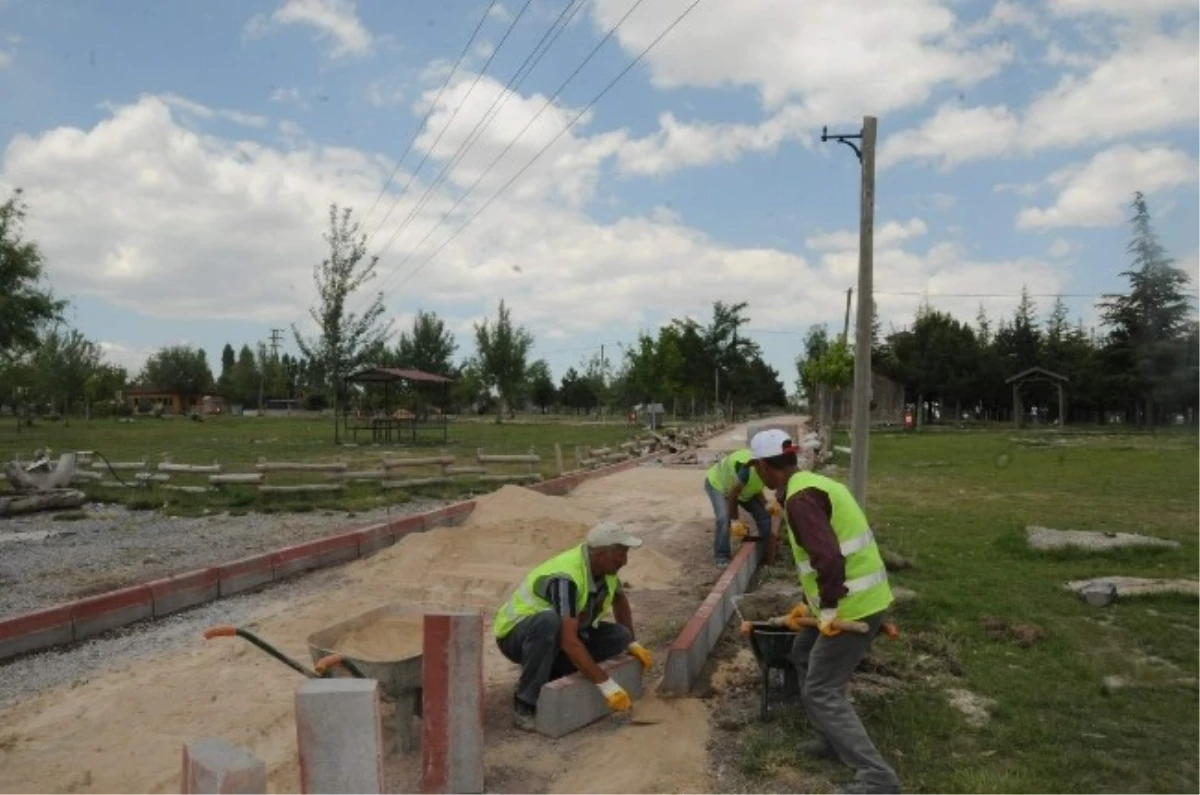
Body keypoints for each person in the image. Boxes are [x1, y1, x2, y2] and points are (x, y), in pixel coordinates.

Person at [749, 428, 901, 795]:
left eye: (757, 469)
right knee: (801, 652)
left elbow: (829, 558)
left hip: (852, 605)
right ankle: (832, 740)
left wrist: (829, 611)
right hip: (850, 599)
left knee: (822, 689)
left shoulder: (801, 499)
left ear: (764, 468)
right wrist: (811, 603)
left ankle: (877, 778)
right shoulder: (812, 484)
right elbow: (821, 559)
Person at [492, 521, 654, 731]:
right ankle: (524, 704)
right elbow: (569, 641)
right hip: (517, 636)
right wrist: (606, 684)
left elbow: (619, 601)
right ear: (601, 554)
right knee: (548, 622)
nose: (624, 561)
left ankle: (550, 673)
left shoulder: (605, 572)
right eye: (620, 554)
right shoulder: (566, 578)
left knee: (619, 637)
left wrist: (632, 642)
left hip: (557, 636)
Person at [704, 447, 779, 567]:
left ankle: (765, 551)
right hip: (719, 484)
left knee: (764, 517)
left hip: (740, 490)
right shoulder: (745, 469)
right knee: (724, 518)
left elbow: (755, 488)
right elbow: (733, 496)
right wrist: (735, 521)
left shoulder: (765, 468)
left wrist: (766, 504)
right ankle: (721, 556)